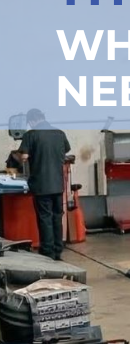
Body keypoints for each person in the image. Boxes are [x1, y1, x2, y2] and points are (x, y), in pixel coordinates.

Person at [19, 110, 71, 261]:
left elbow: (24, 157)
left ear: (33, 121)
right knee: (56, 217)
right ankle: (58, 249)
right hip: (57, 184)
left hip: (41, 184)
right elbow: (66, 150)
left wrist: (21, 155)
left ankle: (47, 252)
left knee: (45, 218)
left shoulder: (31, 135)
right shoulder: (59, 133)